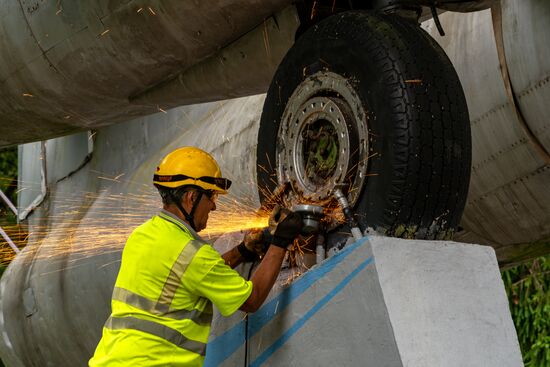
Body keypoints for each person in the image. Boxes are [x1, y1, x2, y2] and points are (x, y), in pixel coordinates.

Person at [89, 146, 302, 366]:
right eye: (211, 196)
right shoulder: (193, 254)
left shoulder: (142, 236)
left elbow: (190, 275)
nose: (214, 206)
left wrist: (242, 252)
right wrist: (280, 242)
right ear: (192, 197)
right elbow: (251, 299)